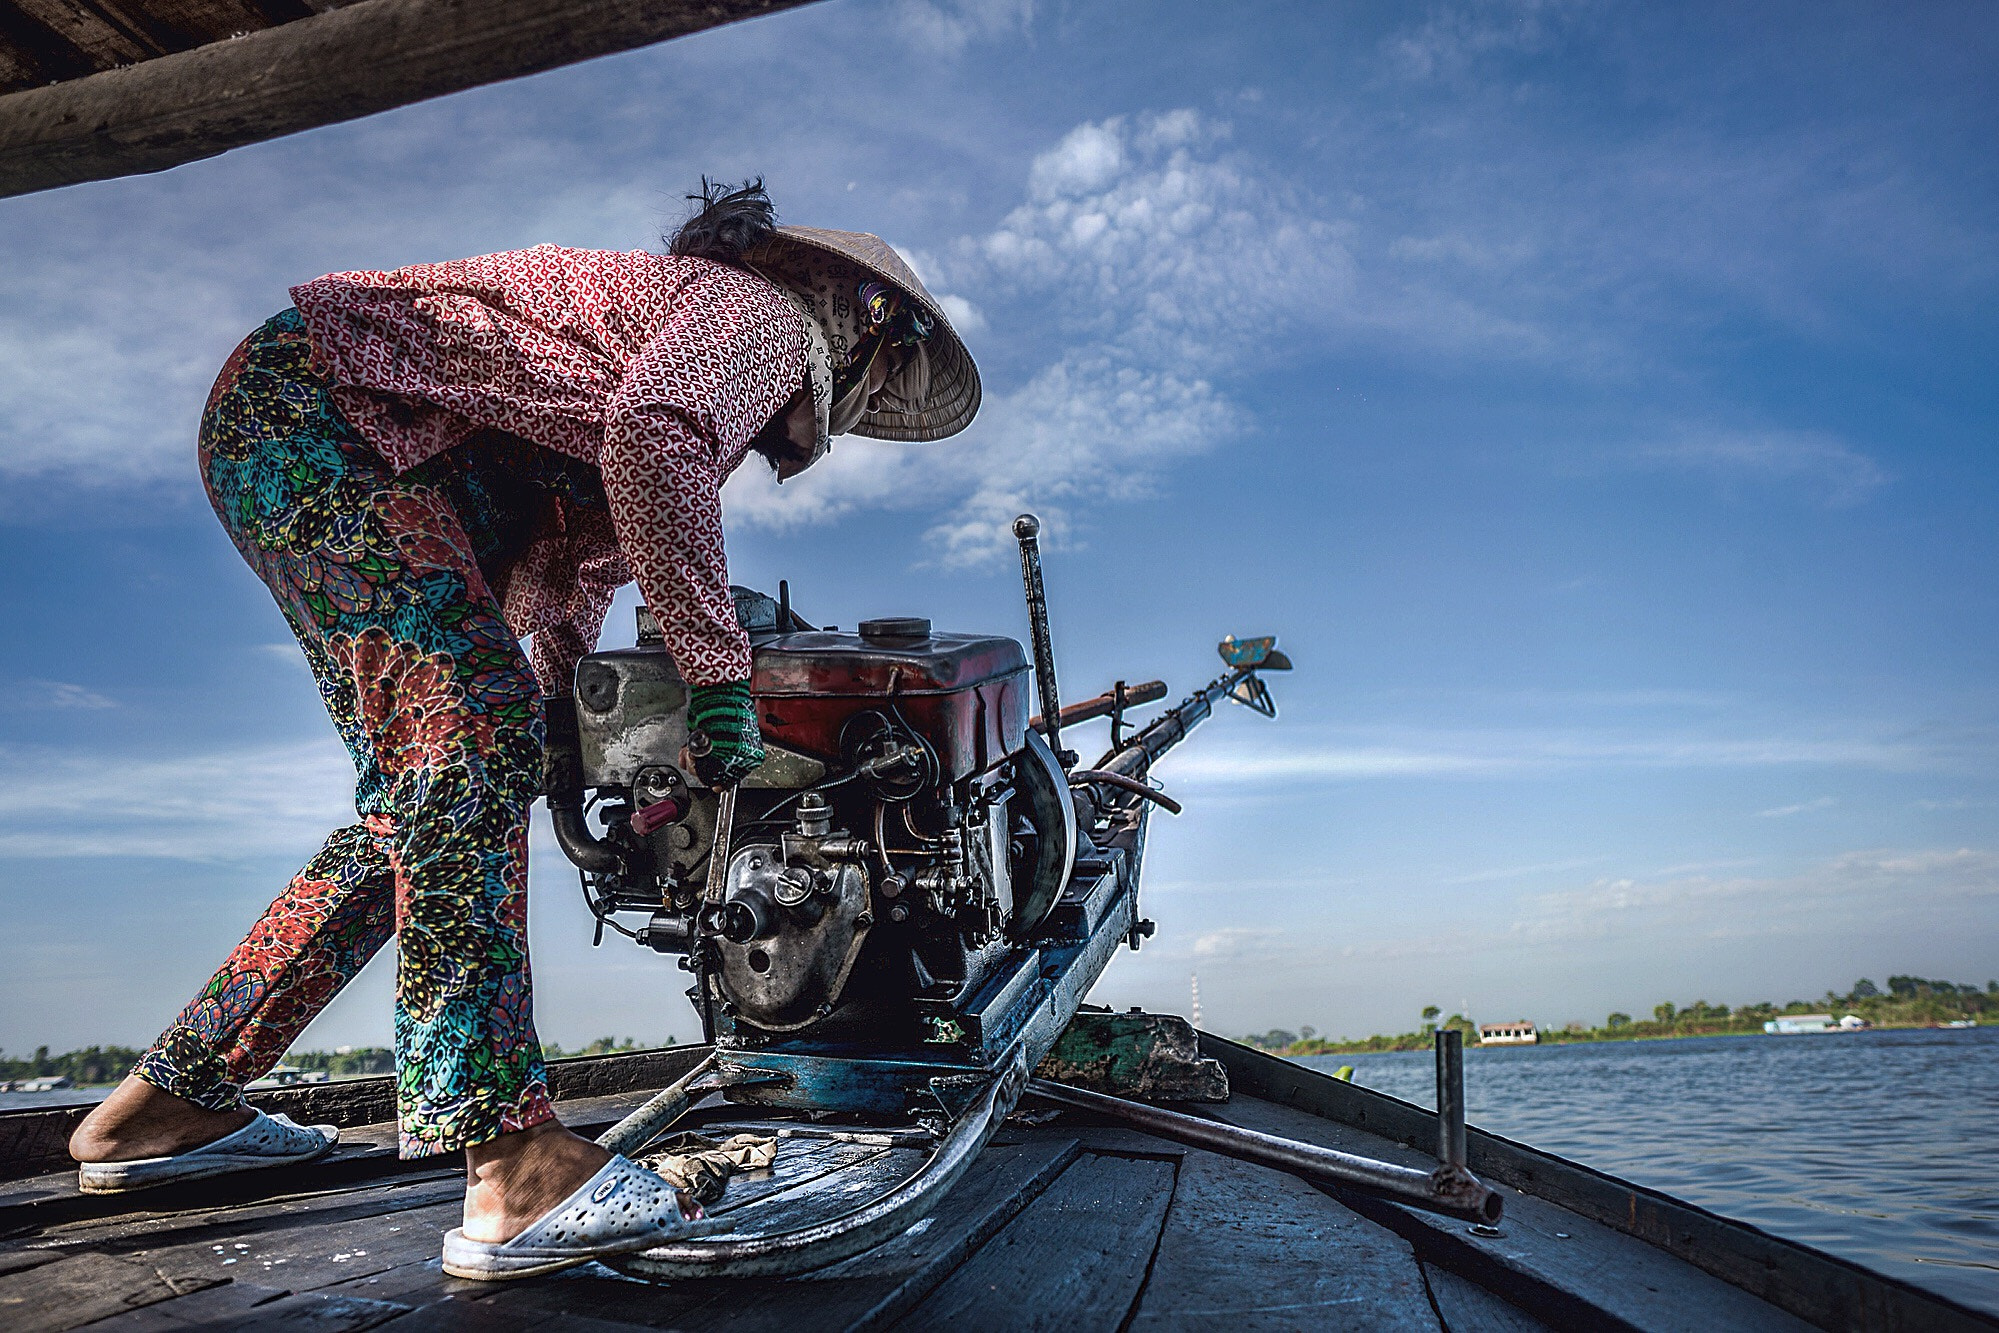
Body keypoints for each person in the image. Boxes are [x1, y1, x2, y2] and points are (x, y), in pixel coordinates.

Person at [67, 181, 979, 1279]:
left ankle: (163, 1107)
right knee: (466, 743)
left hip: (319, 426)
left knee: (430, 797)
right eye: (885, 365)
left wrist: (559, 723)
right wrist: (717, 674)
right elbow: (657, 440)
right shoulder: (757, 317)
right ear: (867, 322)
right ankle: (509, 1160)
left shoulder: (669, 348)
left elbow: (564, 573)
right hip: (317, 413)